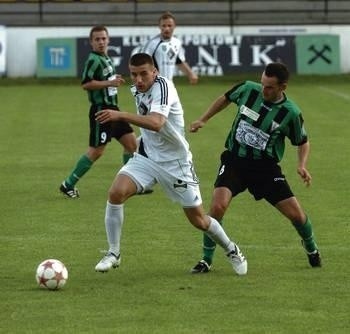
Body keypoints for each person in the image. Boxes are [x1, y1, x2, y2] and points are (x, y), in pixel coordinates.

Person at [93, 53, 247, 276]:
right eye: (134, 75)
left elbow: (157, 123)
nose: (138, 80)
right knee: (116, 193)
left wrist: (120, 115)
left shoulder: (164, 87)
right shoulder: (137, 89)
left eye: (144, 74)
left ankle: (231, 249)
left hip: (176, 163)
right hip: (147, 157)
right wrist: (139, 141)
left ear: (154, 72)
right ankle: (113, 253)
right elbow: (149, 124)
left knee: (199, 220)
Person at [189, 62, 321, 273]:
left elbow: (303, 141)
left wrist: (302, 165)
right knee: (217, 207)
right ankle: (206, 259)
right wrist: (203, 119)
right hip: (235, 161)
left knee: (296, 215)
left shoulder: (291, 113)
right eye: (262, 84)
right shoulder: (248, 89)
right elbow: (225, 98)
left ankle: (311, 247)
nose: (263, 90)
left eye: (269, 87)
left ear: (282, 87)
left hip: (265, 169)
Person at [60, 25, 137, 198]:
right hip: (101, 111)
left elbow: (105, 80)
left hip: (114, 110)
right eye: (97, 39)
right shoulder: (93, 60)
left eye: (104, 38)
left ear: (108, 39)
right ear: (91, 42)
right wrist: (109, 83)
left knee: (132, 145)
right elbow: (86, 84)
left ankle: (128, 185)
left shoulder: (106, 58)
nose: (101, 42)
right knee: (97, 151)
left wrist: (113, 80)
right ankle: (68, 184)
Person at [140, 11, 198, 84]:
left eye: (169, 25)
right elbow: (141, 63)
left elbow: (179, 61)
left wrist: (191, 74)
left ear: (174, 26)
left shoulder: (177, 43)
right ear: (159, 26)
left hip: (169, 84)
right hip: (154, 84)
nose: (167, 28)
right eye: (164, 26)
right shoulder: (152, 43)